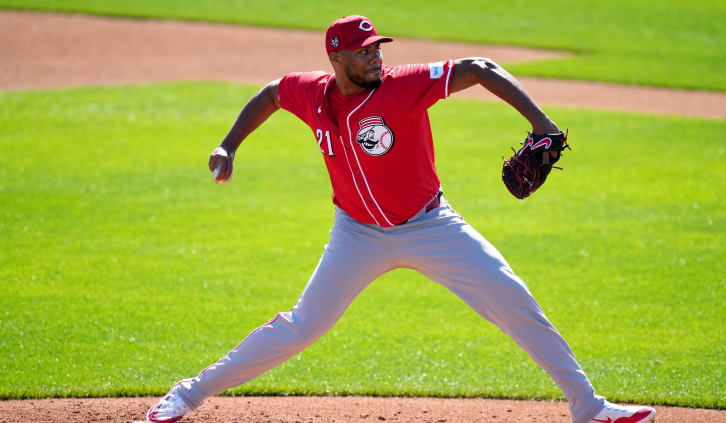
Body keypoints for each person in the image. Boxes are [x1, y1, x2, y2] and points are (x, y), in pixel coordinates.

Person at [146, 15, 656, 423]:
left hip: (430, 225)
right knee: (303, 326)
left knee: (510, 297)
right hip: (356, 234)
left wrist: (541, 123)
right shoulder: (311, 93)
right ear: (336, 57)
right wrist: (228, 144)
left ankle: (588, 407)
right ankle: (188, 395)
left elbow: (479, 67)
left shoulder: (402, 86)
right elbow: (270, 94)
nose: (376, 56)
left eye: (378, 47)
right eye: (365, 50)